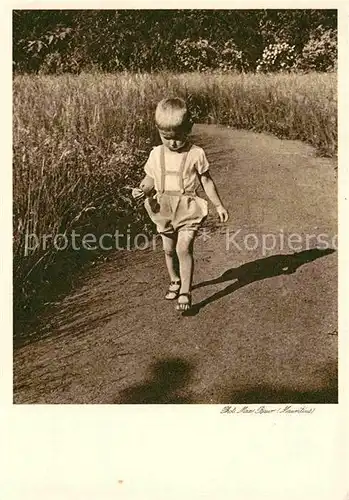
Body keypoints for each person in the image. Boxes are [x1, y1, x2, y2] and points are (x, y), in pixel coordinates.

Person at [132, 97, 228, 311]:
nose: (173, 142)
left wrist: (218, 205)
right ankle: (174, 279)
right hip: (163, 207)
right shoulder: (156, 154)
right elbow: (150, 180)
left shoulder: (196, 154)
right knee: (168, 249)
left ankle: (185, 290)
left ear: (189, 128)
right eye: (167, 137)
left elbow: (206, 181)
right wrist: (142, 190)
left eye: (178, 136)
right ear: (158, 132)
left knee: (183, 248)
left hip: (187, 208)